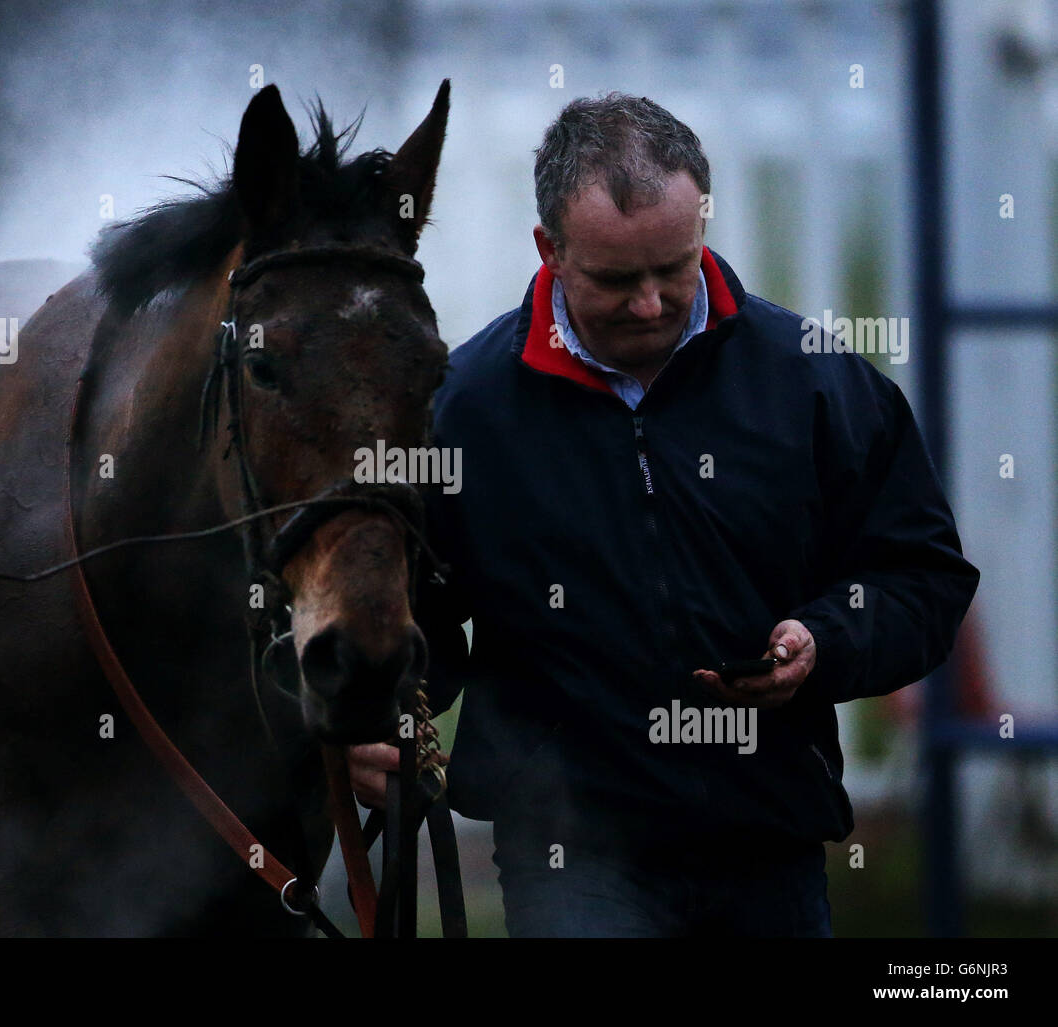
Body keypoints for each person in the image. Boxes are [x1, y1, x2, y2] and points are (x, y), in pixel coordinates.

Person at [347, 93, 980, 937]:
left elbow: (922, 575)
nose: (649, 304)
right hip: (571, 849)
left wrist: (826, 641)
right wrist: (379, 715)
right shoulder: (465, 410)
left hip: (770, 841)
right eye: (616, 279)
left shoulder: (815, 382)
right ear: (550, 249)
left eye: (672, 268)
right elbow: (410, 608)